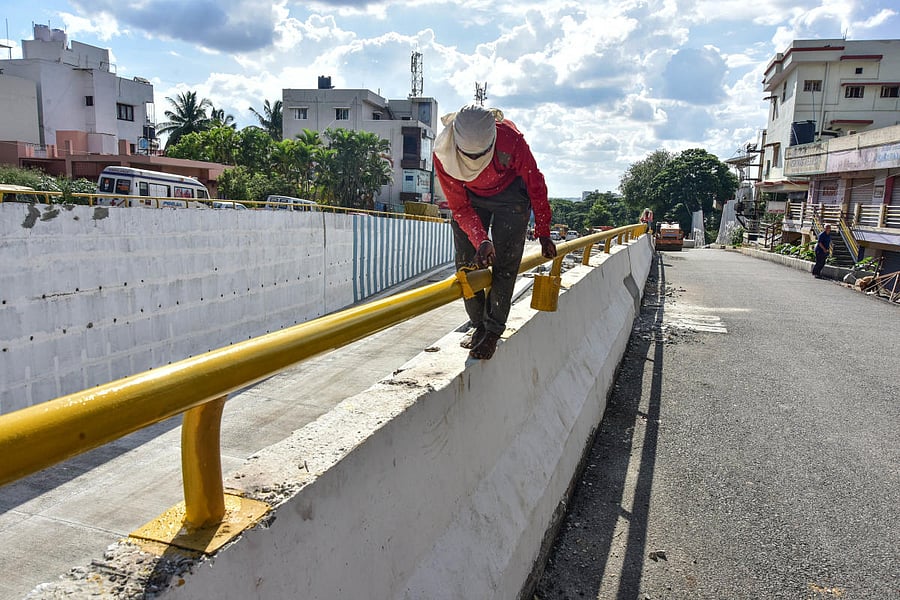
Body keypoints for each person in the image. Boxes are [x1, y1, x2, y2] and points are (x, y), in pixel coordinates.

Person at [433, 104, 557, 360]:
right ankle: (478, 324)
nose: (475, 162)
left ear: (492, 142)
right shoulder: (443, 155)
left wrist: (544, 231)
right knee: (468, 266)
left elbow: (536, 185)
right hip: (472, 199)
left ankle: (493, 330)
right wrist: (480, 240)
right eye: (469, 157)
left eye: (481, 156)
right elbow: (459, 207)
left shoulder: (511, 140)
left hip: (511, 196)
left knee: (505, 264)